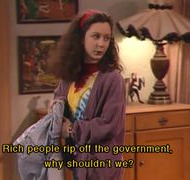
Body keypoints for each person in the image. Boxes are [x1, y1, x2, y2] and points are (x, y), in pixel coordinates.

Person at [47, 9, 126, 180]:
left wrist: (70, 130)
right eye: (96, 36)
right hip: (78, 161)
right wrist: (56, 108)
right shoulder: (69, 75)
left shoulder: (113, 79)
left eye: (106, 38)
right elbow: (60, 98)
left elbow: (109, 125)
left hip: (102, 165)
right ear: (81, 38)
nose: (101, 44)